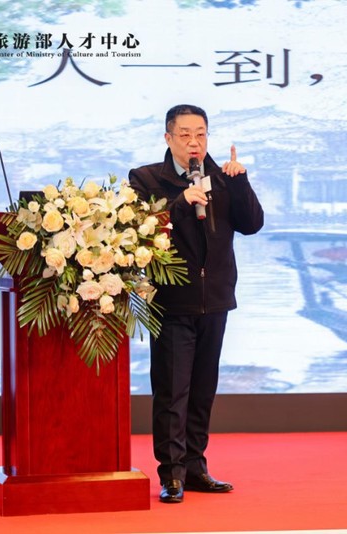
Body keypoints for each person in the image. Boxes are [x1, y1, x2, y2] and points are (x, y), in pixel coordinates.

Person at [129, 104, 264, 504]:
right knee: (172, 393)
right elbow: (141, 233)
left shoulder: (221, 177)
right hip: (172, 301)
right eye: (185, 134)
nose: (194, 142)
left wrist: (240, 183)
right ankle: (171, 475)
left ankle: (195, 468)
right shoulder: (147, 178)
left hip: (216, 299)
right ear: (168, 137)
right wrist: (180, 202)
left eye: (201, 134)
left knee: (203, 390)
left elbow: (252, 224)